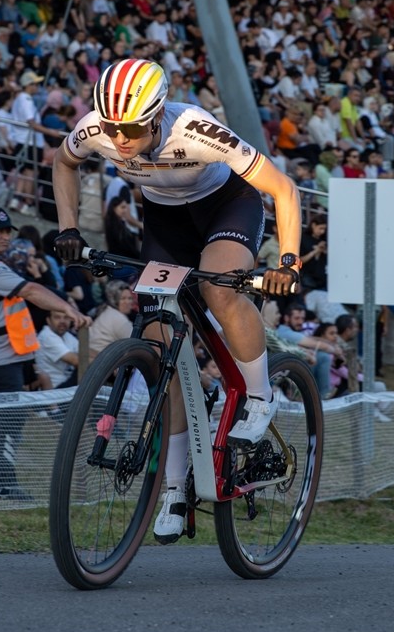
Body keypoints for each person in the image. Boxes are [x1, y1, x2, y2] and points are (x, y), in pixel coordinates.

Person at [52, 58, 301, 544]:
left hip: (226, 206)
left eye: (130, 128)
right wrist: (68, 228)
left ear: (157, 114)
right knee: (159, 340)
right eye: (110, 127)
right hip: (165, 221)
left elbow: (283, 189)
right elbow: (64, 162)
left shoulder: (195, 129)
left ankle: (259, 395)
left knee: (219, 287)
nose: (119, 139)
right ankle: (173, 488)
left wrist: (288, 263)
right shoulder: (95, 130)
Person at [0, 206, 90, 501]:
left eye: (8, 232)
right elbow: (30, 290)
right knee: (8, 423)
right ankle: (4, 483)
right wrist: (67, 308)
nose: (5, 237)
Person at [87, 279, 136, 359]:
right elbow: (136, 346)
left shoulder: (107, 311)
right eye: (123, 299)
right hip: (101, 363)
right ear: (113, 299)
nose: (127, 302)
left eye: (129, 298)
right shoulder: (117, 318)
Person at [35, 309, 80, 389]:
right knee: (87, 368)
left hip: (67, 385)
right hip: (55, 390)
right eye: (57, 317)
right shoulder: (46, 336)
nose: (62, 321)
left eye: (66, 318)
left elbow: (86, 351)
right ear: (48, 320)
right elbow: (77, 361)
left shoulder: (67, 335)